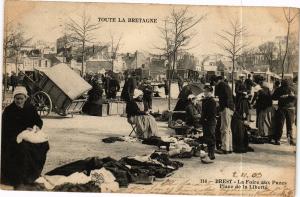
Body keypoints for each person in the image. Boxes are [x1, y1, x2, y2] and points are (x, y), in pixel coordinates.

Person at [1, 86, 49, 187]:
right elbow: (6, 128)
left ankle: (34, 173)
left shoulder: (30, 108)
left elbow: (38, 121)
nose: (19, 101)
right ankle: (22, 177)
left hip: (29, 135)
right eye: (17, 98)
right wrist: (22, 131)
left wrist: (36, 128)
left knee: (44, 145)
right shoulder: (9, 110)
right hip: (12, 138)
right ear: (14, 98)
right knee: (23, 148)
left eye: (21, 98)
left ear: (25, 98)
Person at [272, 79, 296, 145]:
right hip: (290, 109)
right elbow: (296, 97)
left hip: (281, 108)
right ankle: (290, 139)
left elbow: (273, 97)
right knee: (290, 125)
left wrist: (280, 97)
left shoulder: (279, 89)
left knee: (280, 124)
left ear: (281, 83)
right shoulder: (292, 89)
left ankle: (278, 139)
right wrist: (290, 96)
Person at [214, 76, 234, 154]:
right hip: (230, 108)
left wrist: (219, 108)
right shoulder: (226, 85)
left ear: (217, 81)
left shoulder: (221, 85)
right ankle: (229, 147)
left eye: (214, 83)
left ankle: (224, 148)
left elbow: (222, 99)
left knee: (224, 128)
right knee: (228, 129)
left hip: (226, 109)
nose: (215, 85)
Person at [201, 85, 217, 162]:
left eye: (206, 92)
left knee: (211, 138)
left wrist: (206, 118)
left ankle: (211, 155)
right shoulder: (205, 100)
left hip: (210, 122)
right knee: (207, 138)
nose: (205, 93)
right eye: (204, 91)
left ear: (210, 92)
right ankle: (209, 153)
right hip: (206, 122)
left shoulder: (212, 101)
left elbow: (212, 113)